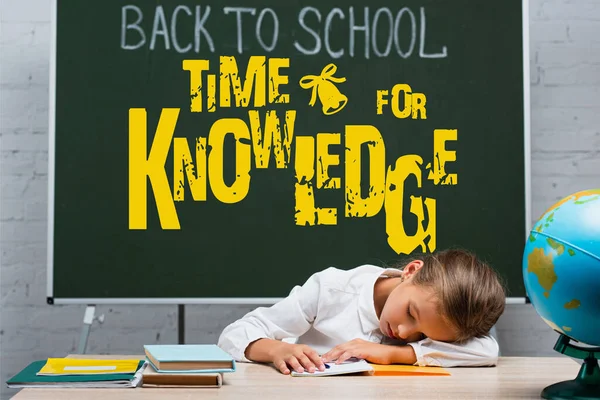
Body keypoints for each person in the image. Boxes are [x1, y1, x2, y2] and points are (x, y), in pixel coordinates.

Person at [218, 248, 506, 375]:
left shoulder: (423, 326)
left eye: (422, 335)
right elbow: (234, 335)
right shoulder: (332, 289)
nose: (405, 333)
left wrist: (394, 353)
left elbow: (486, 351)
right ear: (410, 270)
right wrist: (274, 350)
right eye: (411, 314)